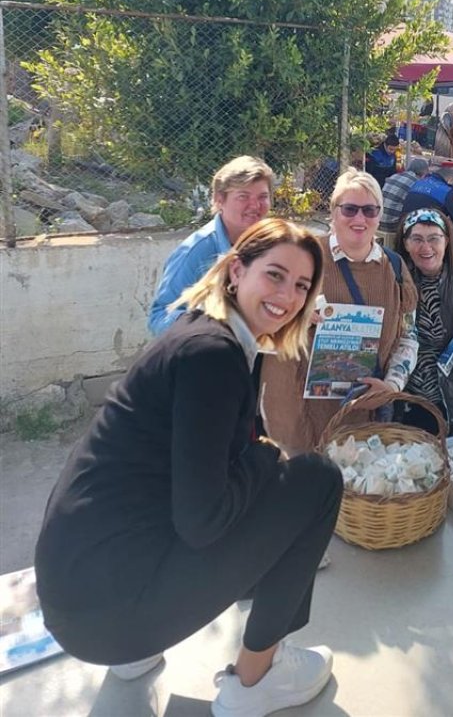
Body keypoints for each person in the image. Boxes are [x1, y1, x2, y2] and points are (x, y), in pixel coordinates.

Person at [35, 219, 343, 715]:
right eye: (276, 275)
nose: (288, 297)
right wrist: (269, 455)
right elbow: (204, 521)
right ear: (236, 269)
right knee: (317, 480)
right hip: (112, 618)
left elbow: (232, 444)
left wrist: (260, 452)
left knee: (271, 478)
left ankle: (137, 660)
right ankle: (256, 680)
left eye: (302, 286)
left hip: (78, 596)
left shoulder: (207, 332)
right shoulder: (212, 357)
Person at [262, 168, 419, 453]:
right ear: (333, 213)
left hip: (362, 415)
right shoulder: (301, 258)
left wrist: (393, 384)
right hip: (296, 411)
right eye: (349, 209)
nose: (359, 219)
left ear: (380, 215)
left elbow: (410, 335)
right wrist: (292, 315)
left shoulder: (395, 269)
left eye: (370, 210)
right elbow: (259, 320)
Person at [148, 156, 274, 335]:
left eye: (263, 197)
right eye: (243, 196)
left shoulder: (271, 245)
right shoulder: (196, 251)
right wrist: (209, 328)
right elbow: (158, 318)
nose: (255, 205)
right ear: (219, 199)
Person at [394, 209, 453, 436]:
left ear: (446, 241)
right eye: (416, 239)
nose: (425, 247)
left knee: (450, 460)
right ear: (406, 244)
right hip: (407, 394)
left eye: (433, 239)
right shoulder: (394, 281)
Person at [402, 162, 453, 257]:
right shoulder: (446, 191)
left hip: (404, 225)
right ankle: (452, 263)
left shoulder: (418, 182)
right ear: (449, 179)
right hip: (424, 229)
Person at [380, 157, 429, 234]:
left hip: (378, 220)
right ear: (424, 172)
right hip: (392, 225)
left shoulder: (395, 175)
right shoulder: (416, 183)